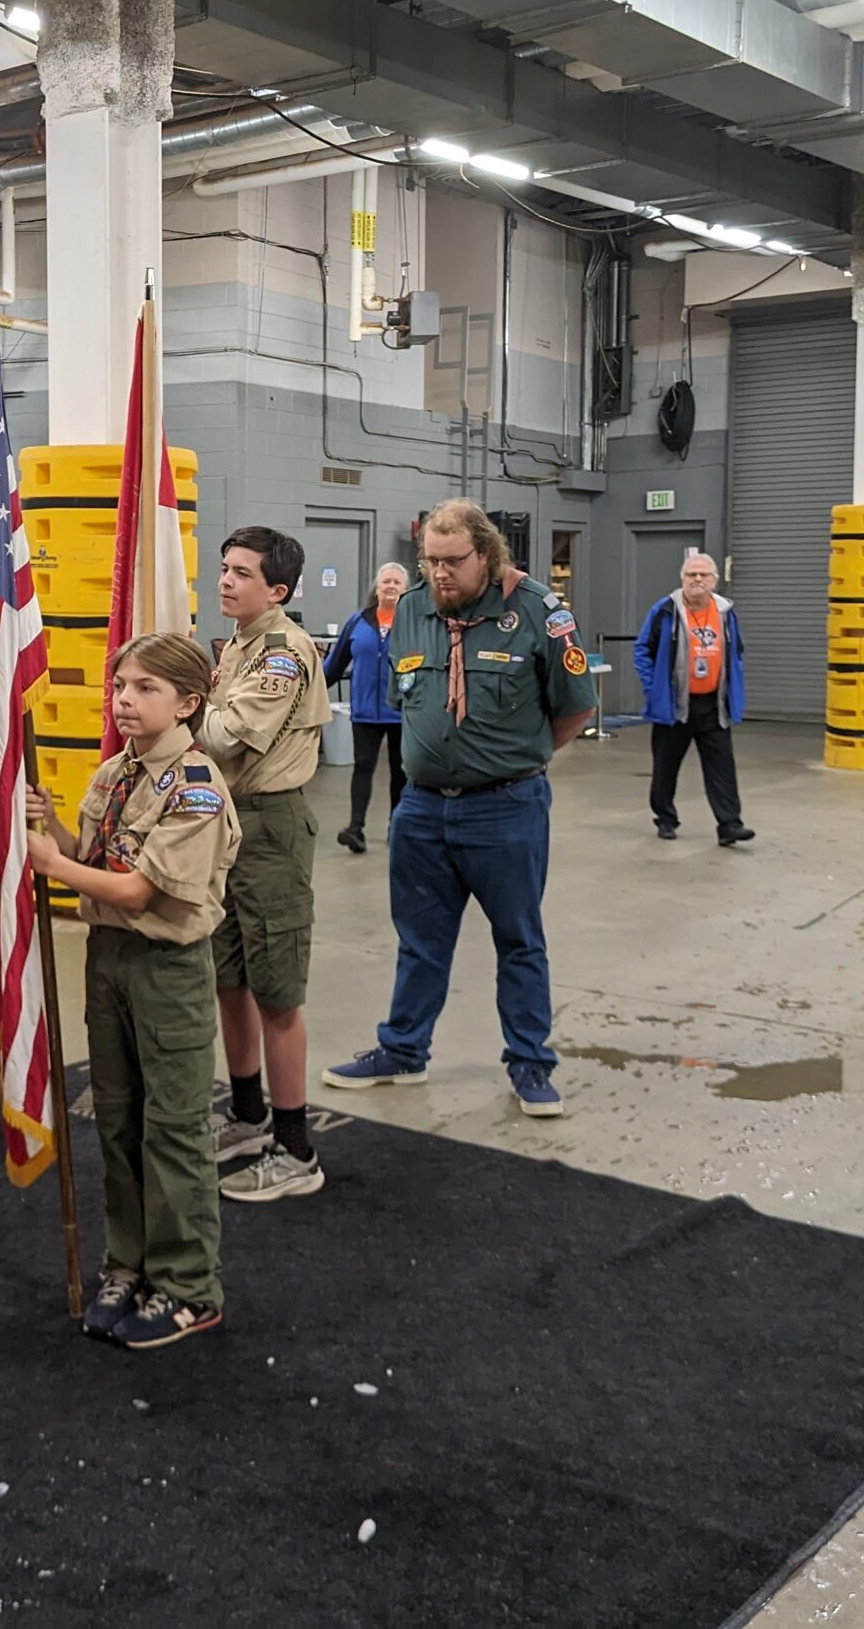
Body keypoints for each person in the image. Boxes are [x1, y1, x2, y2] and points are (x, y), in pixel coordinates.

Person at [323, 499, 595, 1118]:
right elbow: (404, 697)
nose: (440, 573)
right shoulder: (412, 611)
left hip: (506, 809)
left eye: (453, 561)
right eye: (430, 561)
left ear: (487, 554)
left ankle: (529, 1065)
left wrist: (519, 758)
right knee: (419, 941)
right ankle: (403, 1051)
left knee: (518, 940)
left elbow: (576, 706)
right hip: (420, 811)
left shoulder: (538, 614)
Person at [25, 634, 239, 1350]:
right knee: (117, 1117)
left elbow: (138, 888)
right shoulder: (117, 772)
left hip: (165, 967)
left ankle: (187, 1283)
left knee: (172, 1128)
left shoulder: (196, 785)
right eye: (120, 686)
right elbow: (95, 857)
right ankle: (131, 1261)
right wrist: (47, 821)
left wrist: (52, 863)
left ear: (187, 702)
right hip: (108, 956)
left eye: (145, 688)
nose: (124, 700)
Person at [193, 527, 332, 1205]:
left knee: (276, 989)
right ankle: (249, 1116)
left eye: (241, 573)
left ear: (276, 590)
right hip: (228, 823)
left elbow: (222, 736)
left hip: (270, 826)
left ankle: (296, 1149)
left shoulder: (281, 653)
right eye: (223, 568)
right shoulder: (239, 646)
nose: (225, 581)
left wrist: (185, 701)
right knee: (230, 976)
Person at [634, 551, 754, 846]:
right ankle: (665, 818)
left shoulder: (725, 613)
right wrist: (655, 690)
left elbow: (736, 651)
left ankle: (729, 825)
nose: (697, 579)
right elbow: (642, 652)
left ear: (714, 580)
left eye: (703, 575)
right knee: (665, 766)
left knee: (722, 767)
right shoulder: (665, 611)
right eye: (691, 574)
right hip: (674, 705)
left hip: (714, 705)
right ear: (682, 579)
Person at [322, 561, 408, 854]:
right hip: (365, 712)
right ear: (377, 587)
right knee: (363, 767)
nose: (391, 586)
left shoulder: (413, 624)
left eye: (397, 582)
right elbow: (334, 666)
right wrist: (308, 686)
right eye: (386, 581)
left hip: (402, 712)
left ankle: (397, 827)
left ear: (406, 589)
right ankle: (355, 828)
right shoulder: (357, 621)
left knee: (401, 772)